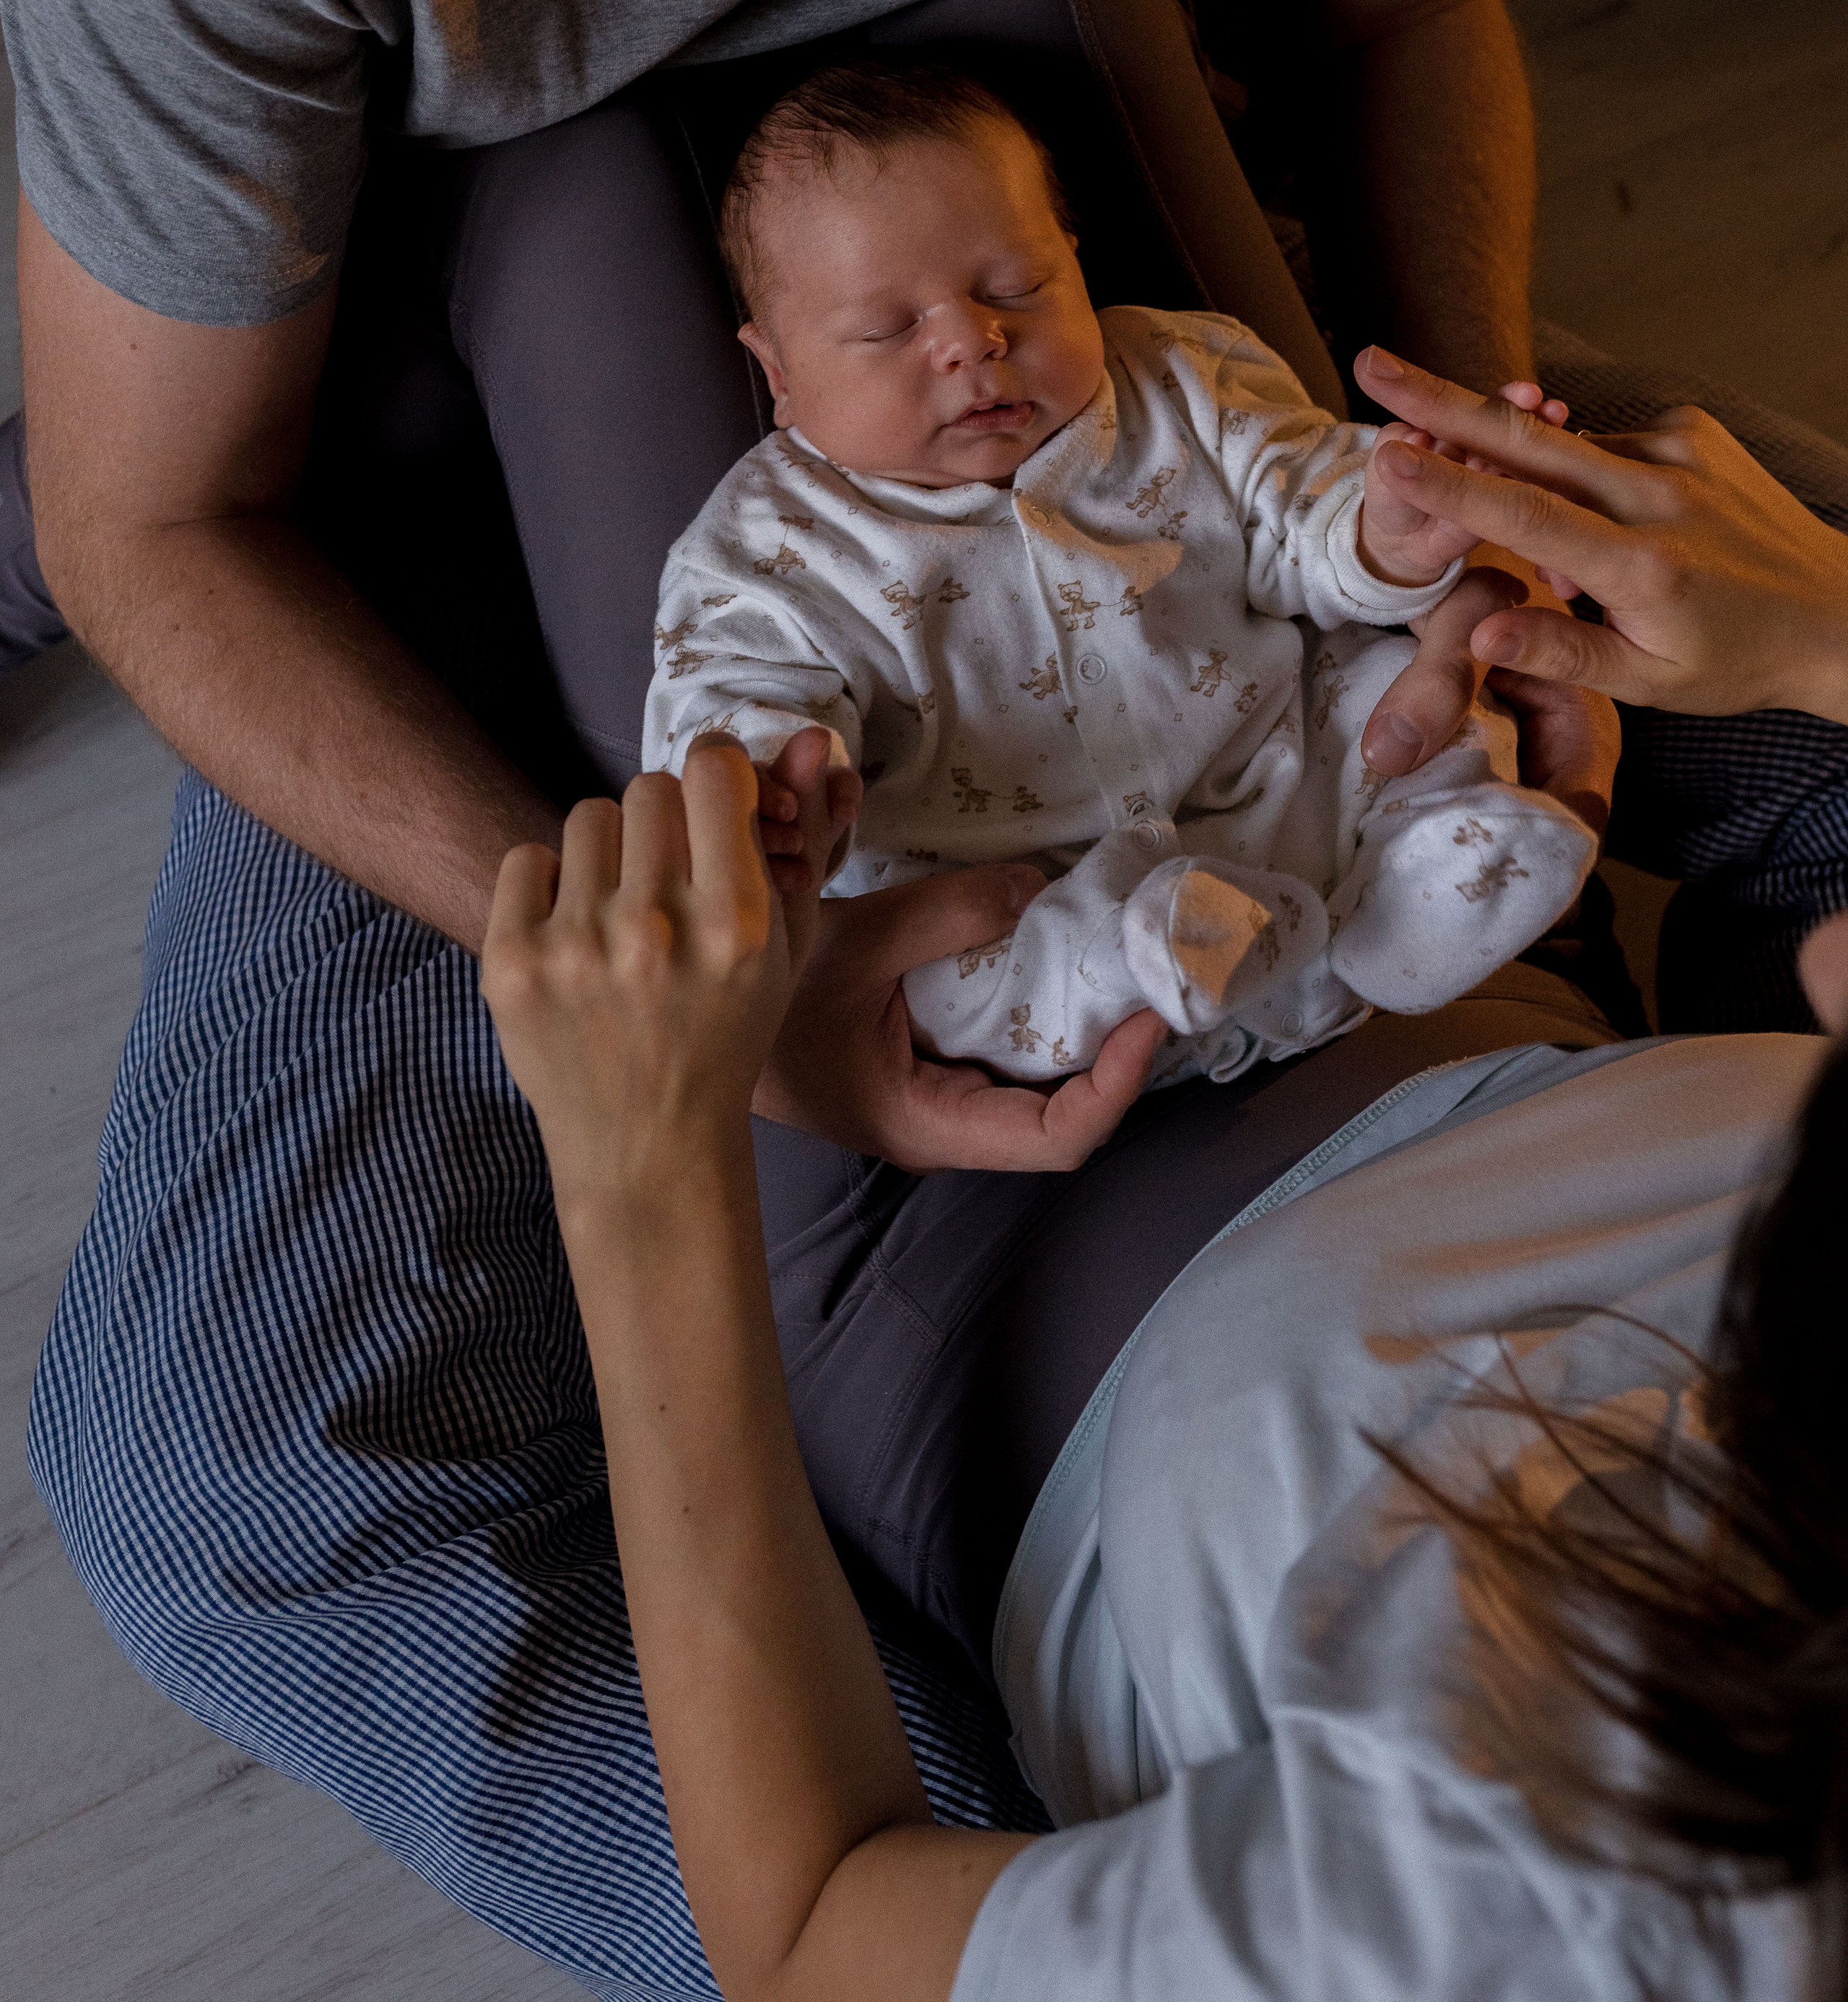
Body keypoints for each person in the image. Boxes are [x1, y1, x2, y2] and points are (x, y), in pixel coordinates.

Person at [0, 0, 1595, 1177]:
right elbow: (156, 520)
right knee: (247, 1459)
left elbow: (1404, 0)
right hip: (419, 255)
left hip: (1038, 106)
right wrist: (698, 993)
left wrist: (1489, 550)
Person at [473, 377, 1848, 2002]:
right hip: (1427, 947)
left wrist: (642, 1165)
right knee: (1170, 368)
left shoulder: (1542, 1902)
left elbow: (809, 1938)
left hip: (988, 1280)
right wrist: (1822, 629)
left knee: (226, 1510)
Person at [646, 61, 1595, 1078]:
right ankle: (1153, 963)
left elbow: (1300, 513)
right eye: (888, 329)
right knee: (944, 971)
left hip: (1278, 769)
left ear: (1076, 261)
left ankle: (1424, 897)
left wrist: (1391, 527)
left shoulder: (1187, 380)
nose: (973, 338)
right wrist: (772, 785)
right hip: (1035, 886)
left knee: (1395, 694)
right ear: (781, 374)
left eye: (1017, 286)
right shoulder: (767, 546)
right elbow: (730, 689)